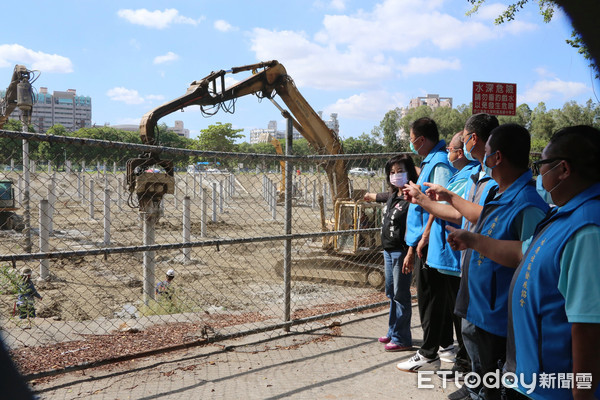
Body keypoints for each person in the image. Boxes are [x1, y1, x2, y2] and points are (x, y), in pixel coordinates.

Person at [447, 125, 600, 400]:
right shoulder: (566, 217)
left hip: (552, 388)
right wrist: (472, 240)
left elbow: (588, 327)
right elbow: (522, 252)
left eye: (542, 164)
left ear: (563, 170)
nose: (538, 173)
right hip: (528, 377)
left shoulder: (587, 230)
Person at [429, 123, 549, 400]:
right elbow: (478, 218)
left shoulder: (527, 204)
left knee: (494, 386)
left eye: (489, 151)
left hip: (497, 318)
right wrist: (447, 198)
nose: (482, 155)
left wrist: (471, 240)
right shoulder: (501, 195)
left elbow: (530, 261)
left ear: (497, 158)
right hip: (480, 307)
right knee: (482, 378)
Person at [400, 131, 480, 380]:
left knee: (452, 309)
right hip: (443, 252)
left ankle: (455, 363)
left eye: (453, 148)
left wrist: (423, 202)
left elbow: (456, 213)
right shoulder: (459, 173)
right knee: (450, 308)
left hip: (452, 254)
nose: (450, 152)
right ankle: (460, 364)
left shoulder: (466, 174)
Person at [397, 117, 455, 371]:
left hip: (429, 242)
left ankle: (428, 351)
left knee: (430, 297)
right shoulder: (430, 161)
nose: (411, 145)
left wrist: (425, 235)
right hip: (423, 241)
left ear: (421, 139)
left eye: (411, 140)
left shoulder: (439, 162)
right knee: (433, 296)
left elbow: (440, 202)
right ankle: (443, 345)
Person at [364, 154, 418, 352]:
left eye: (400, 171)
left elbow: (416, 227)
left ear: (409, 172)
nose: (396, 175)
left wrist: (410, 252)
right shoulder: (394, 194)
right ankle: (393, 331)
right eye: (392, 172)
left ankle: (402, 338)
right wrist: (370, 196)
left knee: (401, 295)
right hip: (388, 251)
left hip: (401, 252)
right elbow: (383, 197)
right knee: (391, 293)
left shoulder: (413, 197)